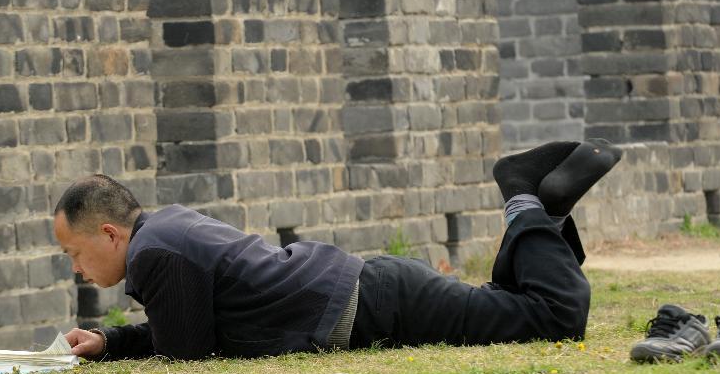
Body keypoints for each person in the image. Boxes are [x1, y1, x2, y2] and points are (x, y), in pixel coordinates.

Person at [57, 140, 622, 361]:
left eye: (75, 254)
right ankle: (544, 209)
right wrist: (110, 340)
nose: (79, 270)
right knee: (510, 305)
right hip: (373, 292)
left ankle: (522, 194)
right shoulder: (165, 229)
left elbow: (184, 351)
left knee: (552, 318)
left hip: (371, 302)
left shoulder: (156, 254)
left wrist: (118, 346)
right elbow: (188, 328)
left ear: (109, 234)